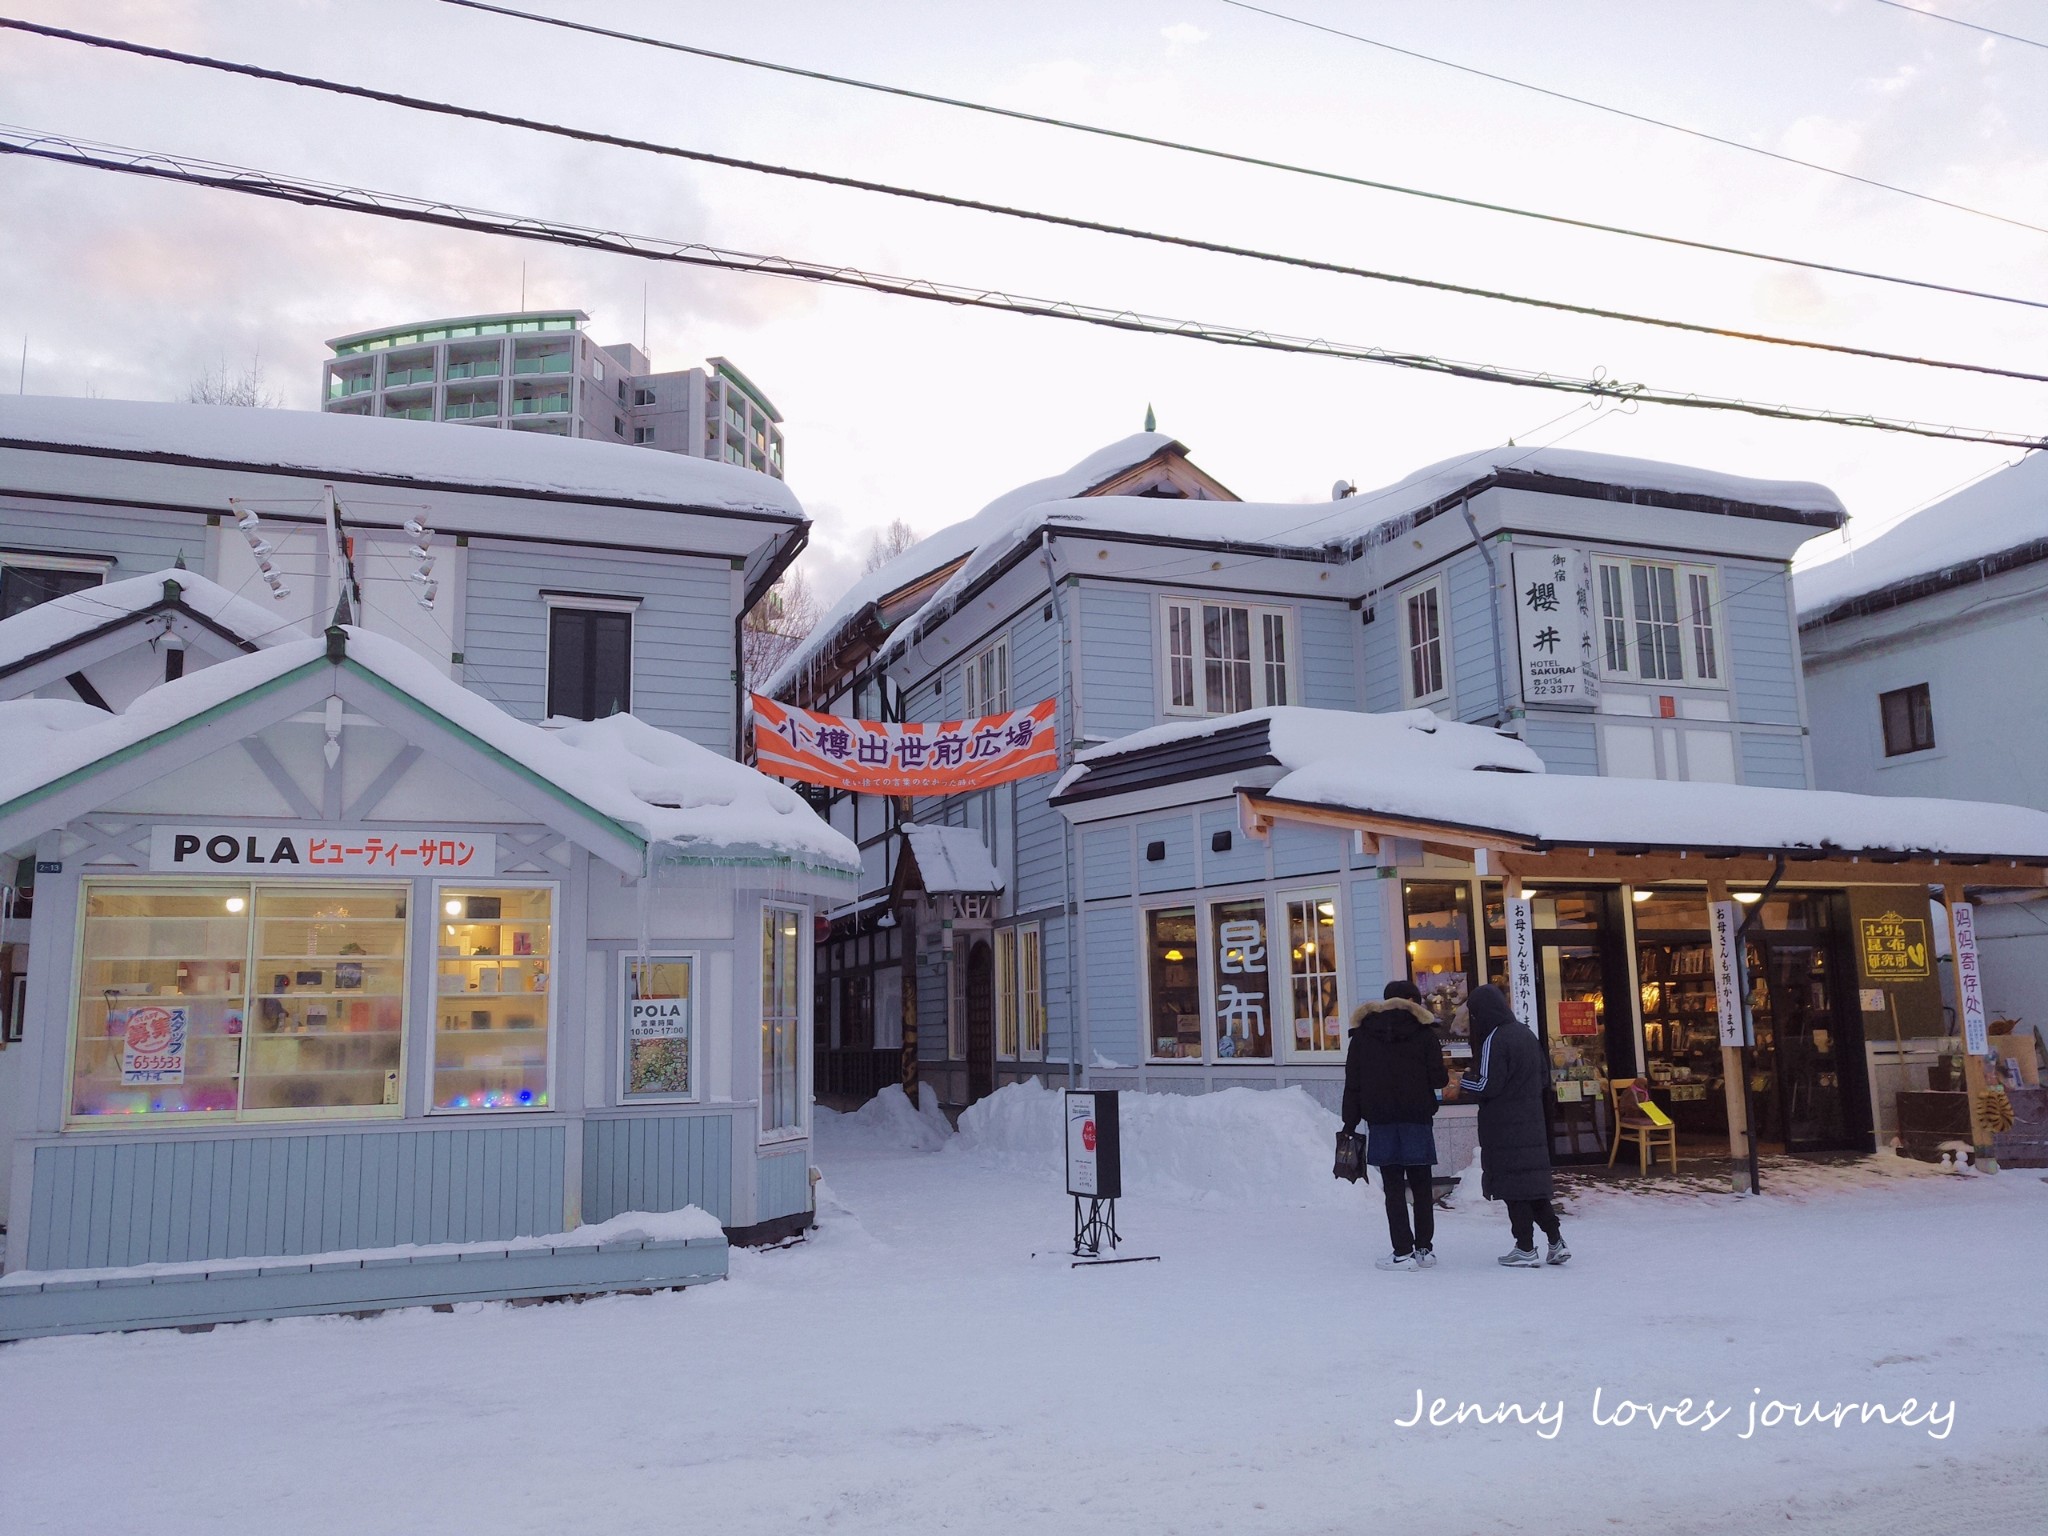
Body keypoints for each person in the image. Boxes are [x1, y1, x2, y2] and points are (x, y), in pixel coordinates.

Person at [1451, 984, 1570, 1268]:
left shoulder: (1495, 1038)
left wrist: (1461, 1080)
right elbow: (1543, 1078)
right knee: (1532, 1187)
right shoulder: (1525, 1034)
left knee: (1513, 1187)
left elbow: (1487, 1084)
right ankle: (1556, 1240)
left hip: (1504, 1126)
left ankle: (1525, 1246)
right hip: (1531, 1122)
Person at [1342, 979, 1449, 1272]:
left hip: (1381, 1120)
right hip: (1417, 1119)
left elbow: (1354, 1083)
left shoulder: (1363, 1035)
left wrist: (1349, 1122)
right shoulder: (1425, 1034)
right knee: (1421, 1185)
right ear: (1412, 1000)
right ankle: (1424, 1250)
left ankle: (1401, 1252)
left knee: (1393, 1188)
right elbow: (1439, 1079)